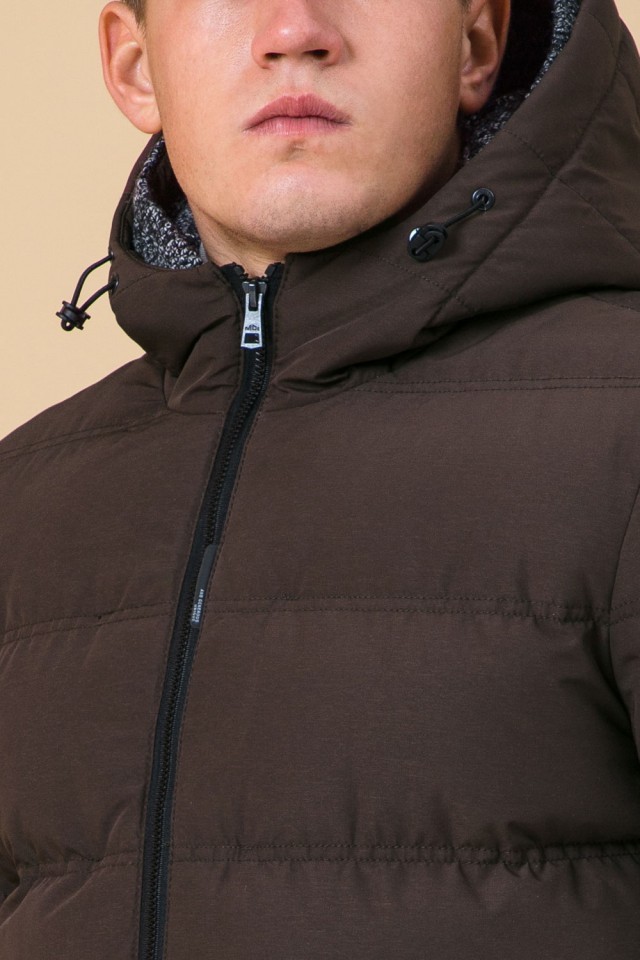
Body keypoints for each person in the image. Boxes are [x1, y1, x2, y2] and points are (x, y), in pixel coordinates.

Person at [1, 0, 639, 956]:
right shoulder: (24, 501)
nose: (295, 28)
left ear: (477, 43)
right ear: (134, 67)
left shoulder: (621, 430)